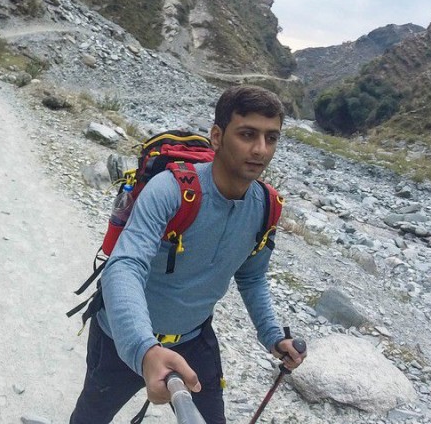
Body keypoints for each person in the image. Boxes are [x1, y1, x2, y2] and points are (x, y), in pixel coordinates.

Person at [69, 85, 306, 424]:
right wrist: (144, 349)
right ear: (217, 136)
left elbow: (251, 277)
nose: (260, 149)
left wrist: (273, 335)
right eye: (247, 134)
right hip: (123, 335)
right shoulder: (170, 190)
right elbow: (125, 266)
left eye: (272, 138)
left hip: (195, 339)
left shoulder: (265, 207)